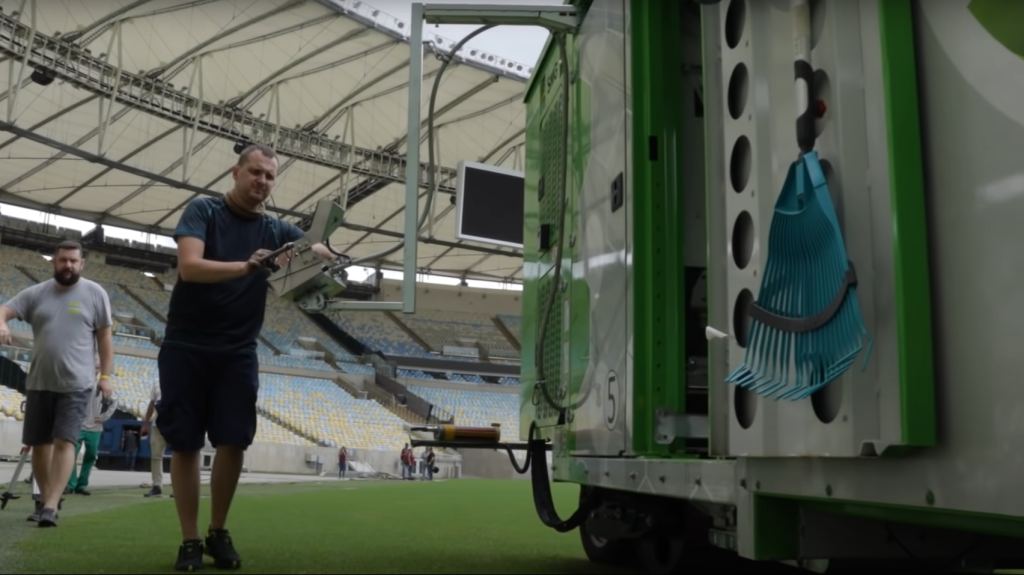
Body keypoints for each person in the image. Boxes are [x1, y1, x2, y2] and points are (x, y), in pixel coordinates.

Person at [158, 144, 340, 571]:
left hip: (239, 349)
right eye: (255, 172)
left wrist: (324, 250)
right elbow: (190, 267)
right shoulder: (204, 210)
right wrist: (246, 267)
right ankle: (189, 540)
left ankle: (217, 531)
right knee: (184, 443)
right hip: (186, 344)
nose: (262, 181)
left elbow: (316, 251)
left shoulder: (276, 229)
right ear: (236, 172)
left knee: (233, 440)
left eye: (270, 176)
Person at [0, 240, 113, 528]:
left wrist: (106, 377)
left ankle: (51, 505)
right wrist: (3, 322)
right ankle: (43, 499)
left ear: (82, 263)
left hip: (76, 384)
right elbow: (4, 309)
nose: (68, 265)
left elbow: (104, 339)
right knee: (39, 444)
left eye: (74, 261)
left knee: (65, 441)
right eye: (63, 260)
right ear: (54, 261)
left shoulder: (95, 294)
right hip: (39, 382)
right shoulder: (36, 294)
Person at [66, 360, 118, 496]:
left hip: (95, 427)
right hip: (78, 426)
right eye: (94, 365)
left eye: (98, 366)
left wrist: (104, 417)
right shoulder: (80, 381)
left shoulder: (103, 385)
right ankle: (70, 484)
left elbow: (114, 401)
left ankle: (81, 485)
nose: (95, 368)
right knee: (71, 455)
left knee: (90, 456)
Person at [141, 380, 172, 498]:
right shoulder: (156, 381)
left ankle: (178, 487)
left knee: (178, 456)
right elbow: (152, 403)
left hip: (176, 422)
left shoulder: (181, 376)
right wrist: (145, 424)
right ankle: (157, 486)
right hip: (157, 424)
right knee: (156, 456)